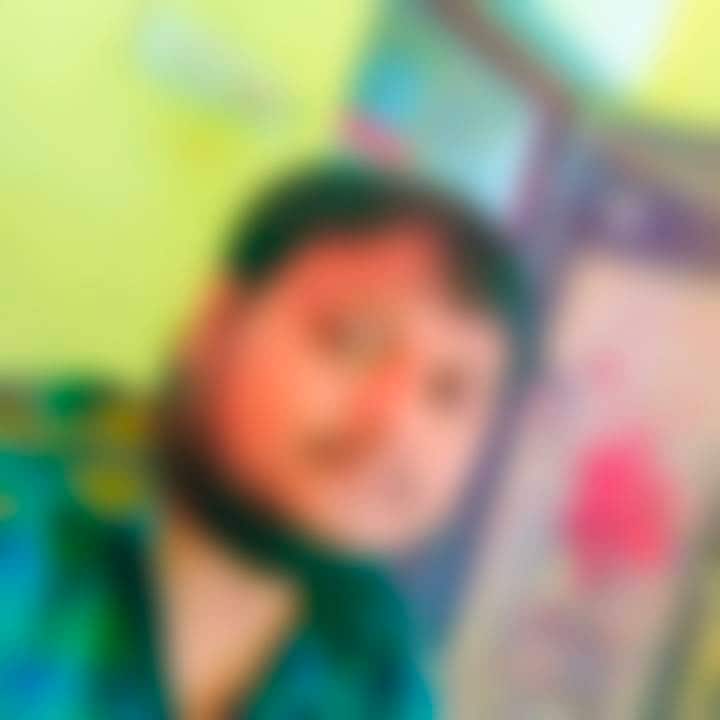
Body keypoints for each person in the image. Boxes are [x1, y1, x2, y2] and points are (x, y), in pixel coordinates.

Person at [0, 162, 527, 719]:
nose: (393, 424)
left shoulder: (378, 666)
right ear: (217, 323)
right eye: (352, 343)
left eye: (449, 393)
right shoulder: (26, 498)